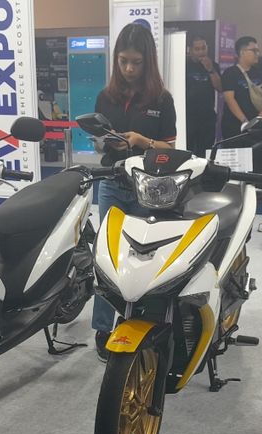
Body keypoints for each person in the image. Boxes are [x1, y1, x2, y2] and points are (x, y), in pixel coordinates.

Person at [92, 23, 176, 361]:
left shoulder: (162, 99)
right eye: (123, 61)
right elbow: (96, 140)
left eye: (136, 62)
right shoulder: (106, 96)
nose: (128, 68)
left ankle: (140, 323)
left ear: (148, 61)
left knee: (144, 255)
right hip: (111, 183)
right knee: (107, 255)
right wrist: (105, 141)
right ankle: (103, 327)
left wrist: (143, 142)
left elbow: (170, 148)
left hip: (147, 188)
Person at [186, 34, 222, 157]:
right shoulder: (185, 65)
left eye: (203, 48)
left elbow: (220, 88)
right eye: (197, 49)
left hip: (207, 116)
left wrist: (210, 69)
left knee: (205, 151)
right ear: (190, 50)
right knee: (188, 150)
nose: (201, 52)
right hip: (188, 116)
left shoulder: (213, 65)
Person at [221, 36, 262, 141]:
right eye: (254, 51)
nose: (257, 54)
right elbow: (230, 99)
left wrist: (260, 119)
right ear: (242, 52)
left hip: (256, 126)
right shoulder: (230, 73)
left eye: (258, 51)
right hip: (235, 126)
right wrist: (244, 121)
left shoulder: (259, 73)